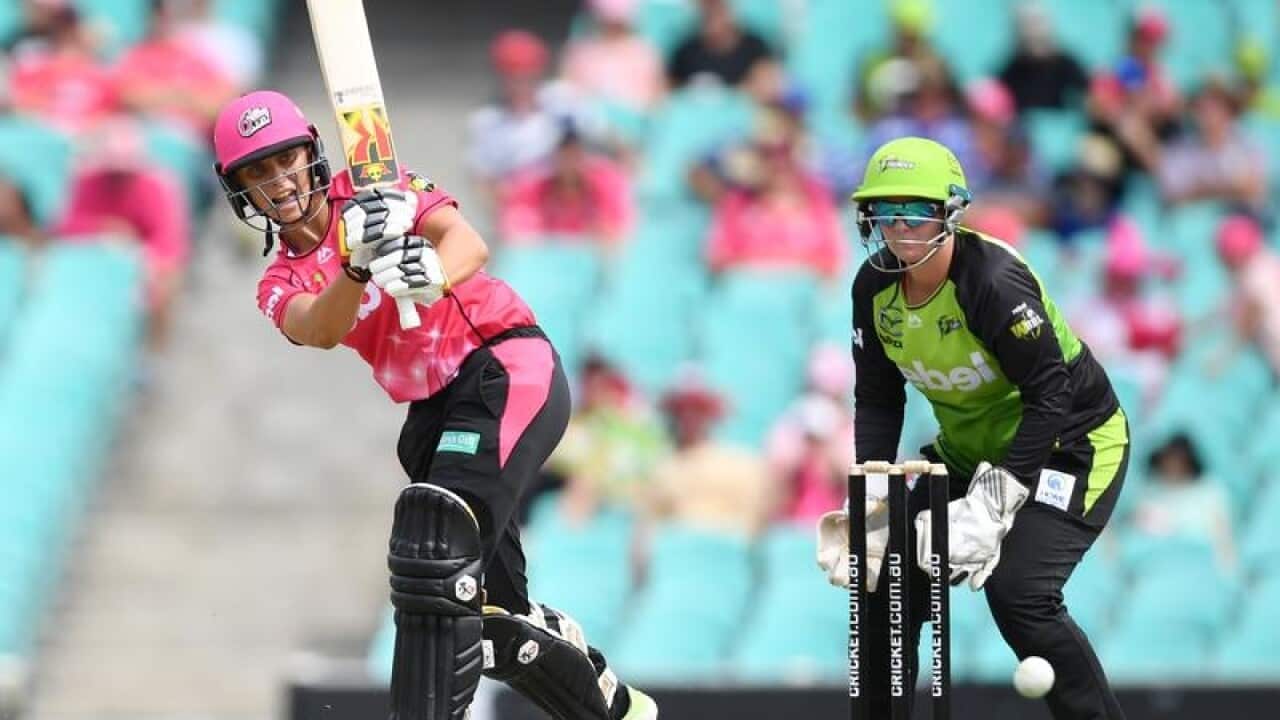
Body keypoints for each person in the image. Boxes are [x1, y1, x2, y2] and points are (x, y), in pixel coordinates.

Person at [211, 90, 657, 720]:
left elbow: (467, 243)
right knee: (491, 619)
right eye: (258, 172)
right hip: (433, 411)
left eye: (286, 160)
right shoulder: (279, 281)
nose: (279, 181)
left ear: (310, 153)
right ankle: (619, 711)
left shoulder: (375, 188)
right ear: (240, 192)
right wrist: (357, 267)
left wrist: (433, 274)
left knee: (434, 555)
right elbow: (320, 327)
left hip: (501, 365)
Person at [816, 137, 1129, 719]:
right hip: (969, 452)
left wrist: (998, 498)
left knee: (1019, 593)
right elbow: (878, 399)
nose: (900, 230)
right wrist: (874, 497)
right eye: (886, 213)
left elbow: (1051, 394)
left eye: (915, 212)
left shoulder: (993, 283)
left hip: (1071, 445)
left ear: (950, 213)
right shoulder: (873, 287)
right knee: (883, 584)